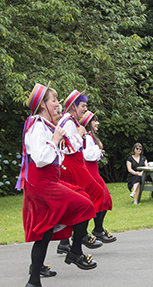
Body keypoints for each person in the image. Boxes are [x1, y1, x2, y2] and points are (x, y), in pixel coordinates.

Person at [19, 83, 97, 287]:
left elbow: (55, 157)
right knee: (85, 204)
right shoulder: (36, 126)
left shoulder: (44, 125)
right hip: (42, 184)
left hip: (47, 181)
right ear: (43, 105)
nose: (58, 104)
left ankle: (33, 282)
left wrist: (57, 141)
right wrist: (55, 140)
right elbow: (41, 157)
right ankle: (75, 252)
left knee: (45, 232)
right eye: (54, 100)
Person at [57, 90, 104, 253]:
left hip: (75, 165)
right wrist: (79, 134)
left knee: (87, 198)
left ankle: (73, 238)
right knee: (94, 195)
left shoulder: (70, 120)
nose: (85, 109)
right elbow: (69, 148)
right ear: (73, 107)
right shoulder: (68, 122)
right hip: (72, 166)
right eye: (83, 106)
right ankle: (81, 234)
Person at [79, 111, 116, 242]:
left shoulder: (90, 137)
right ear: (89, 123)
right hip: (90, 171)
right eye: (95, 121)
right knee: (98, 198)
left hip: (93, 170)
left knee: (105, 198)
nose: (97, 123)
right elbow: (88, 155)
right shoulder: (87, 138)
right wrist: (99, 151)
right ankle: (88, 231)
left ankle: (98, 228)